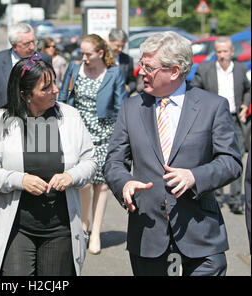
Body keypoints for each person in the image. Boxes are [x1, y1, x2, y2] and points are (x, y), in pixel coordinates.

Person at [103, 31, 243, 276]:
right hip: (148, 233)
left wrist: (195, 177)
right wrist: (124, 183)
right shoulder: (131, 108)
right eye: (141, 65)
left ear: (174, 71)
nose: (141, 72)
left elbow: (231, 161)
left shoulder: (212, 106)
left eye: (149, 67)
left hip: (201, 236)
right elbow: (114, 161)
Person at [0, 53, 97, 276]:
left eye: (54, 83)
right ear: (25, 94)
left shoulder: (69, 117)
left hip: (60, 228)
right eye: (46, 87)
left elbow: (90, 161)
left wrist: (71, 176)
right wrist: (19, 180)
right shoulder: (2, 120)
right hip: (17, 228)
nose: (55, 90)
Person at [58, 34, 127, 255]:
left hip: (105, 132)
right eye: (82, 53)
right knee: (83, 182)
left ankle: (95, 231)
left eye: (88, 54)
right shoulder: (74, 68)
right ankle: (84, 224)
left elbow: (120, 106)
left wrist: (123, 136)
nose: (84, 58)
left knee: (102, 184)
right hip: (77, 131)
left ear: (100, 53)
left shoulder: (114, 72)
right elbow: (63, 96)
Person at [191, 36, 250, 214]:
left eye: (225, 51)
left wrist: (245, 105)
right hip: (213, 120)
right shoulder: (205, 69)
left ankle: (235, 199)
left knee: (236, 157)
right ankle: (215, 196)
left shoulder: (240, 69)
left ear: (232, 52)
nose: (222, 55)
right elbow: (195, 88)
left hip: (234, 119)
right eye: (219, 52)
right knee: (214, 157)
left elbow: (248, 89)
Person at [0, 23, 52, 145]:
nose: (32, 47)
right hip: (3, 125)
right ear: (14, 45)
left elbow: (50, 92)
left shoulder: (43, 59)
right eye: (27, 44)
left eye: (34, 42)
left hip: (36, 124)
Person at [107, 28, 136, 96]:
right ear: (110, 41)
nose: (120, 49)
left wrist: (128, 88)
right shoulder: (100, 58)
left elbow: (132, 81)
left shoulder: (127, 59)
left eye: (122, 46)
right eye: (117, 46)